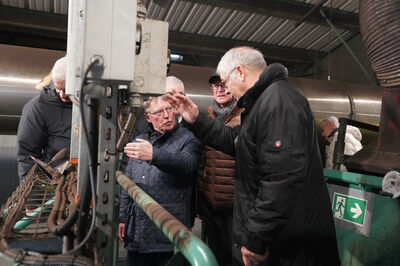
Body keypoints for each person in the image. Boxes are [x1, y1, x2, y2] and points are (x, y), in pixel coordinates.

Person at [167, 46, 340, 266]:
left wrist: (257, 238)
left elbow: (282, 179)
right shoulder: (262, 103)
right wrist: (195, 119)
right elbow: (235, 141)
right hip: (280, 238)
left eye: (226, 81)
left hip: (291, 243)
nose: (226, 88)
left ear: (240, 72)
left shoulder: (278, 101)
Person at [118, 95, 203, 266]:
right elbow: (128, 182)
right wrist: (122, 217)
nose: (166, 115)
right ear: (148, 117)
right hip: (136, 231)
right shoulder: (140, 140)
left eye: (169, 109)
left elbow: (187, 164)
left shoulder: (188, 139)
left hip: (168, 232)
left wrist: (154, 155)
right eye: (159, 112)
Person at [200, 72, 243, 266]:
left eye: (224, 85)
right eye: (215, 86)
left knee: (235, 258)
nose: (220, 90)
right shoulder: (209, 118)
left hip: (233, 206)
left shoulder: (243, 118)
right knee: (215, 256)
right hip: (210, 204)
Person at [17, 56, 71, 181]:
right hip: (57, 182)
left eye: (66, 89)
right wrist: (32, 188)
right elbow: (27, 154)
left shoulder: (96, 104)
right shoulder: (38, 107)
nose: (63, 95)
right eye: (59, 89)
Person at [119, 76, 186, 172]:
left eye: (180, 95)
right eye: (169, 94)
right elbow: (127, 161)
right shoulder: (142, 125)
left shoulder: (193, 126)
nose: (175, 99)